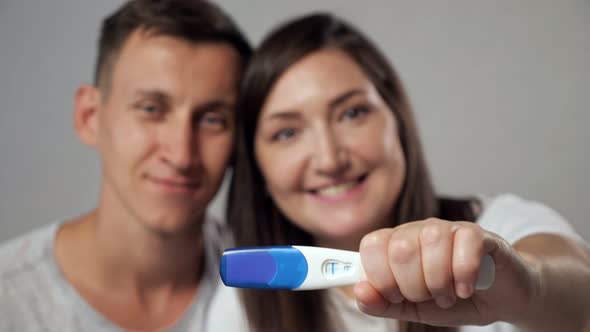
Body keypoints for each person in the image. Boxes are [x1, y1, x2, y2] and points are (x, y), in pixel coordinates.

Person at [222, 13, 590, 332]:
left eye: (352, 113)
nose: (329, 158)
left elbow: (579, 298)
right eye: (286, 133)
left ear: (397, 120)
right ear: (257, 166)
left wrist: (524, 288)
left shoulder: (499, 228)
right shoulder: (237, 307)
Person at [0, 0, 251, 330]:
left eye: (212, 120)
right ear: (90, 117)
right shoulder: (9, 299)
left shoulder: (273, 290)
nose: (181, 154)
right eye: (151, 109)